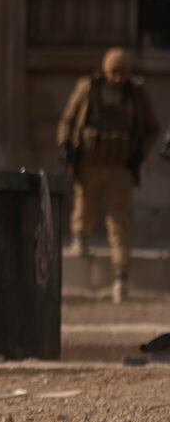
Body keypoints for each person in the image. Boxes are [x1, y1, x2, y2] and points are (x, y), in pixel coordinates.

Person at [58, 47, 160, 303]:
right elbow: (68, 120)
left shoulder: (136, 94)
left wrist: (140, 154)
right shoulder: (89, 88)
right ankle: (80, 240)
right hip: (90, 163)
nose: (118, 78)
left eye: (123, 73)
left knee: (119, 223)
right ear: (105, 71)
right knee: (84, 210)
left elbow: (152, 128)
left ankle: (120, 277)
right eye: (114, 72)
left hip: (120, 167)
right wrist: (65, 144)